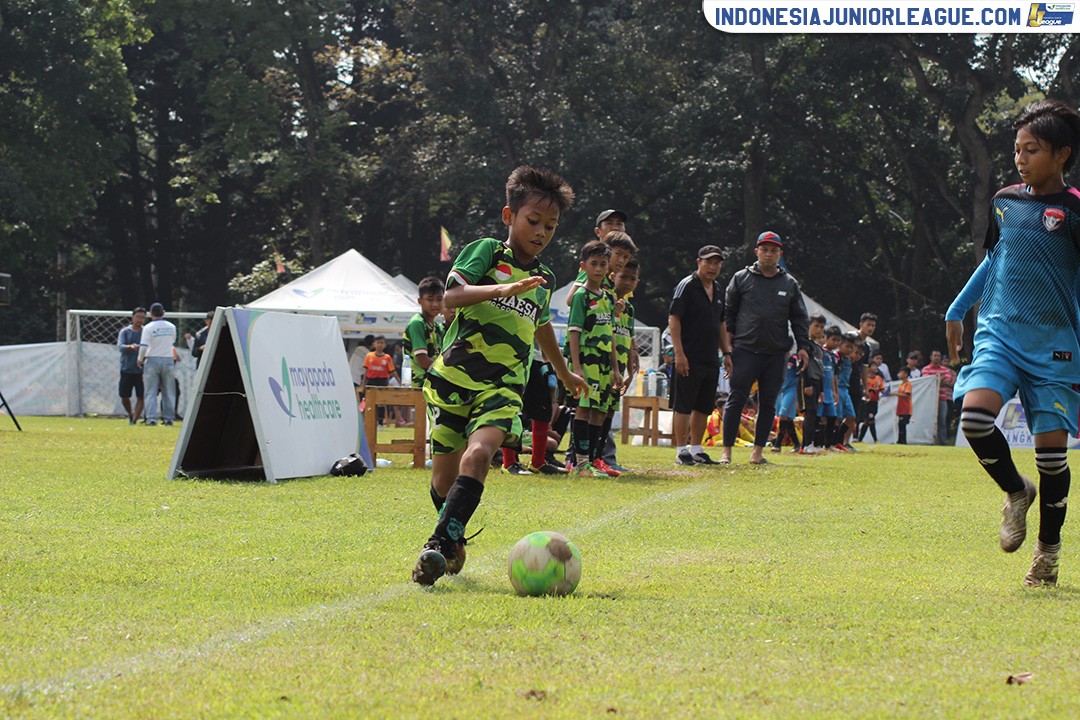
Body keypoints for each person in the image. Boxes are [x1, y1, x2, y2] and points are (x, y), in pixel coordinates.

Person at [411, 165, 586, 586]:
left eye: (551, 225)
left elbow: (541, 326)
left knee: (480, 454)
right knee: (442, 478)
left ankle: (436, 545)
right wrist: (501, 289)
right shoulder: (487, 251)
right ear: (509, 217)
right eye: (533, 221)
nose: (542, 232)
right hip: (453, 379)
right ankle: (454, 536)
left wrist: (564, 370)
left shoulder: (544, 279)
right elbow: (451, 296)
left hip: (504, 385)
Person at [946, 99, 1080, 587]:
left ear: (1062, 154)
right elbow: (995, 261)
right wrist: (957, 309)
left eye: (1032, 150)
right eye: (1017, 149)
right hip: (1000, 333)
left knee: (1051, 458)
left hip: (1056, 346)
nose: (1021, 158)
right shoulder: (1004, 199)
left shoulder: (1074, 210)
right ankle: (1014, 489)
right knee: (976, 419)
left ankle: (1048, 553)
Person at [721, 232, 812, 465]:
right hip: (745, 349)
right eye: (764, 249)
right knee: (736, 398)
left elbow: (800, 318)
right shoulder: (741, 278)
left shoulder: (789, 283)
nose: (769, 254)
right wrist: (727, 348)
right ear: (756, 252)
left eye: (773, 250)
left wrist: (803, 346)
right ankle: (726, 452)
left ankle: (757, 453)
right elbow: (728, 313)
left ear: (780, 254)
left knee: (769, 402)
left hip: (776, 353)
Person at [668, 245, 731, 465]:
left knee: (704, 405)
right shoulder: (687, 286)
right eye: (708, 262)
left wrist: (727, 353)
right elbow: (674, 318)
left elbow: (722, 323)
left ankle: (696, 448)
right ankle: (681, 450)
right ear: (698, 262)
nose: (713, 267)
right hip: (688, 354)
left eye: (717, 262)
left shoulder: (719, 289)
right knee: (683, 404)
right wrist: (679, 354)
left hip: (710, 357)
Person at [565, 240, 622, 477]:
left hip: (603, 364)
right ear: (584, 266)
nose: (598, 269)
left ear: (609, 267)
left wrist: (615, 368)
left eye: (602, 264)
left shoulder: (608, 298)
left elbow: (609, 333)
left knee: (599, 410)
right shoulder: (580, 296)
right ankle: (580, 464)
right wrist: (576, 367)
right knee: (583, 409)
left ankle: (594, 460)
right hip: (586, 360)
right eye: (593, 264)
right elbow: (574, 332)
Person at [137, 302, 178, 427]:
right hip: (168, 359)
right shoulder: (171, 327)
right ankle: (169, 418)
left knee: (150, 391)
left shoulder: (148, 328)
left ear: (151, 314)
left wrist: (140, 359)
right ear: (163, 312)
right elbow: (173, 341)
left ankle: (151, 418)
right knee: (169, 391)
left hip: (152, 360)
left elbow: (143, 346)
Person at [403, 276, 446, 389]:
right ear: (420, 301)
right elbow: (423, 360)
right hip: (420, 384)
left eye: (439, 299)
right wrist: (448, 373)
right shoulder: (417, 323)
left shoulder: (437, 327)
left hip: (434, 384)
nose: (435, 304)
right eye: (430, 299)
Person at [799, 315, 826, 455]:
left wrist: (821, 389)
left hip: (816, 382)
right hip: (807, 381)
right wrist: (807, 383)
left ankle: (807, 444)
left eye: (822, 327)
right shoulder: (805, 345)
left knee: (814, 412)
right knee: (809, 412)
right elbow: (803, 365)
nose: (819, 330)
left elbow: (820, 368)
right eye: (816, 326)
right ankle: (807, 444)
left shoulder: (818, 348)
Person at [360, 336, 399, 426]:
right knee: (369, 401)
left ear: (384, 345)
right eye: (378, 343)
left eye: (382, 343)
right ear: (374, 344)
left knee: (381, 403)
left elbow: (392, 371)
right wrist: (363, 384)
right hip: (371, 381)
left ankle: (380, 423)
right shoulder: (369, 356)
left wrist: (399, 381)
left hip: (382, 381)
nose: (380, 345)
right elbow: (366, 371)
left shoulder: (387, 357)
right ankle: (368, 421)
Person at [117, 307, 146, 425]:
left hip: (142, 371)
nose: (140, 320)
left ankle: (135, 419)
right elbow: (120, 346)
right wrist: (130, 347)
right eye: (138, 317)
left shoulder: (146, 331)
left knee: (142, 395)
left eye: (143, 317)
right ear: (132, 317)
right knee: (124, 396)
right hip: (127, 369)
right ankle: (130, 414)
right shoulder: (125, 332)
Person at [920, 349, 956, 445]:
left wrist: (935, 379)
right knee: (929, 420)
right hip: (929, 399)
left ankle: (943, 441)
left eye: (938, 356)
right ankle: (929, 440)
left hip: (942, 398)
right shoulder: (925, 369)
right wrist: (940, 378)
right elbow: (927, 382)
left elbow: (947, 382)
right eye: (935, 355)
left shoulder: (945, 370)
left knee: (942, 420)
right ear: (931, 357)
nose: (937, 357)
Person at [858, 363, 885, 442]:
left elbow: (882, 389)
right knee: (870, 419)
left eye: (876, 366)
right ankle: (875, 439)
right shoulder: (865, 379)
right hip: (866, 402)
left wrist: (888, 393)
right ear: (868, 368)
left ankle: (860, 439)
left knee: (868, 421)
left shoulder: (879, 378)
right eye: (873, 366)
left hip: (874, 402)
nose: (875, 367)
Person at [895, 366, 913, 444]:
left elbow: (907, 394)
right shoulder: (901, 384)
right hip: (900, 408)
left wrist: (895, 394)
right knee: (900, 424)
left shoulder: (907, 384)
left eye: (900, 373)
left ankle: (903, 441)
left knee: (902, 424)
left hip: (906, 408)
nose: (898, 374)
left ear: (905, 374)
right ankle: (900, 440)